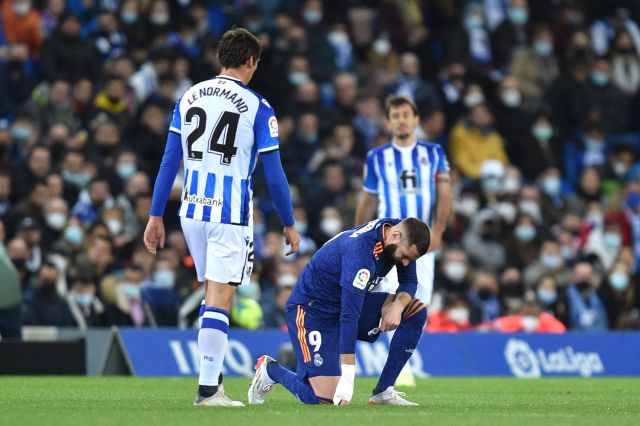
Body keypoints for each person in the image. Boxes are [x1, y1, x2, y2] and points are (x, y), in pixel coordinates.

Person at [143, 28, 300, 407]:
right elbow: (274, 174)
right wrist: (290, 222)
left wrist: (154, 215)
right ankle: (209, 390)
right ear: (251, 61)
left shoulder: (189, 95)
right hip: (229, 214)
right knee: (219, 299)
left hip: (190, 211)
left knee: (212, 298)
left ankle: (210, 383)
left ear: (220, 58)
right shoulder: (258, 106)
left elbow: (169, 162)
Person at [248, 217, 430, 406]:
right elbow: (349, 316)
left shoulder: (399, 232)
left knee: (415, 310)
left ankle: (383, 392)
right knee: (325, 400)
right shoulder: (361, 252)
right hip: (312, 311)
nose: (406, 263)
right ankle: (271, 371)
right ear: (395, 235)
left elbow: (409, 281)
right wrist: (348, 377)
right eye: (405, 256)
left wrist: (398, 307)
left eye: (411, 259)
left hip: (345, 301)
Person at [354, 95, 452, 386]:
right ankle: (399, 372)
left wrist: (440, 230)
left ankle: (397, 366)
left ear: (416, 119)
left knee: (418, 302)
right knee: (387, 299)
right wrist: (359, 234)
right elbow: (368, 200)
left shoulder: (433, 152)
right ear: (388, 122)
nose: (400, 120)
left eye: (405, 115)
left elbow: (445, 193)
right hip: (388, 243)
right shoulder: (376, 157)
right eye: (395, 115)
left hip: (421, 244)